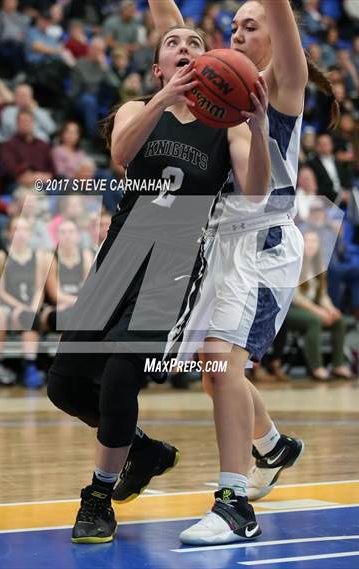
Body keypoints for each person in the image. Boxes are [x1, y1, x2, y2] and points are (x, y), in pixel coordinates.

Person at [46, 24, 271, 544]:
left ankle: (99, 496)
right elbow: (122, 155)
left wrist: (258, 129)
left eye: (195, 42)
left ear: (210, 61)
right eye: (173, 43)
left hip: (173, 265)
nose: (185, 47)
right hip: (119, 258)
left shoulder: (228, 126)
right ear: (158, 68)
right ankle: (141, 450)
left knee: (123, 374)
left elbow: (256, 193)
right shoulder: (136, 108)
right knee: (64, 386)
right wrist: (165, 98)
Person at [147, 0, 339, 546]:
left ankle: (233, 505)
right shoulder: (210, 85)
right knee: (215, 376)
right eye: (231, 27)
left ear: (277, 39)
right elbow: (169, 26)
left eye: (249, 26)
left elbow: (279, 18)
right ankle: (274, 447)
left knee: (221, 366)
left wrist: (271, 11)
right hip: (215, 247)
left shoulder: (281, 88)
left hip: (262, 244)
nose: (235, 33)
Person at [0, 217, 50, 388]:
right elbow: (1, 290)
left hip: (28, 308)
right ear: (8, 233)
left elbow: (39, 289)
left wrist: (32, 307)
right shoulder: (1, 256)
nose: (20, 233)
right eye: (15, 229)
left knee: (30, 317)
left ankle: (29, 366)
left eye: (23, 229)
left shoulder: (38, 257)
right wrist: (18, 307)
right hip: (9, 305)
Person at [286, 230, 353, 380]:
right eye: (307, 241)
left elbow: (322, 295)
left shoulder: (319, 266)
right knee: (314, 321)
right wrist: (319, 312)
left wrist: (330, 309)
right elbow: (295, 298)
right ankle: (316, 367)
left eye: (314, 241)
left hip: (311, 308)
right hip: (290, 310)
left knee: (338, 320)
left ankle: (338, 365)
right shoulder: (294, 263)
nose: (310, 245)